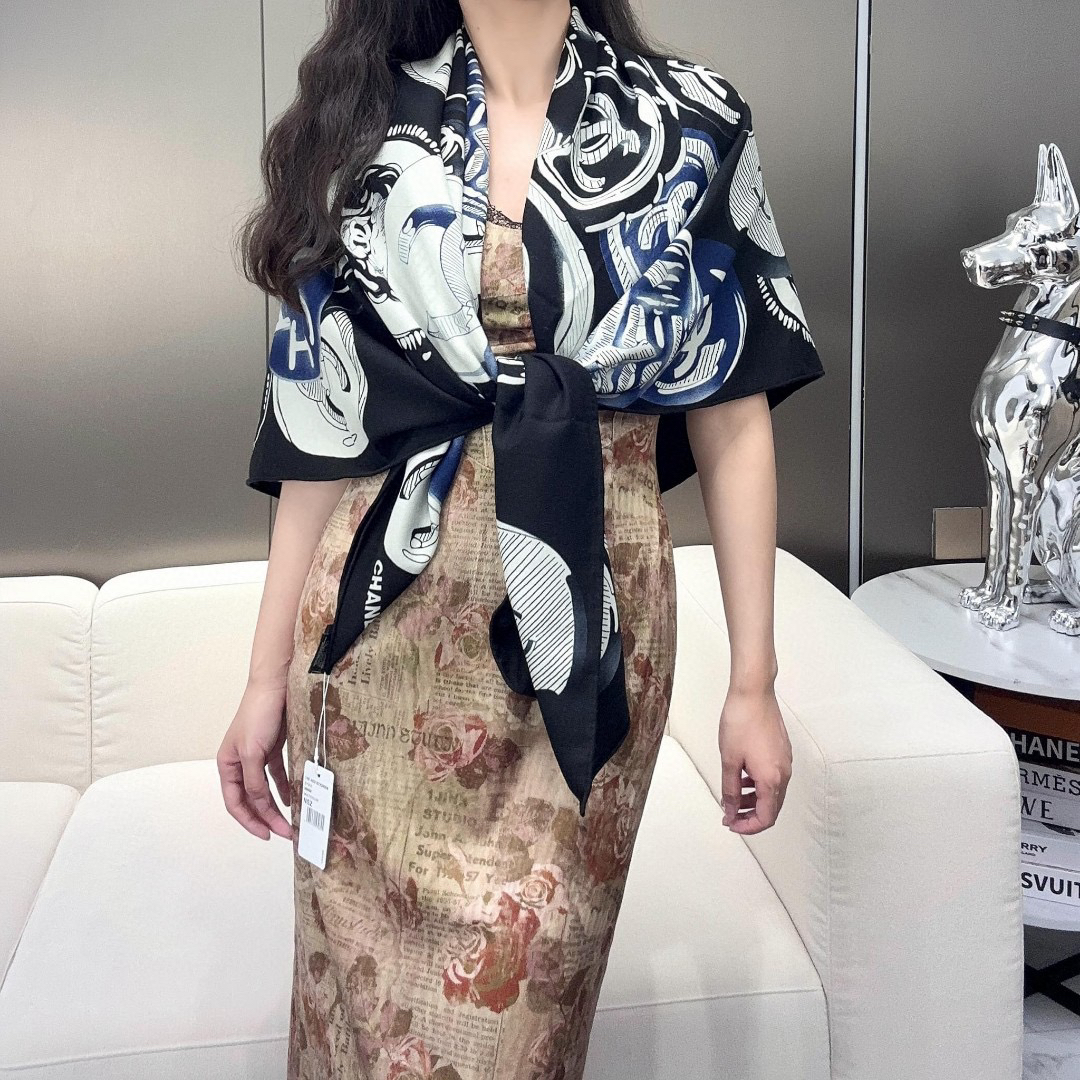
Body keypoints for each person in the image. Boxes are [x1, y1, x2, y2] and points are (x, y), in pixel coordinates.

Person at [218, 0, 826, 1076]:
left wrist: (754, 684)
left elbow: (734, 416)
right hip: (379, 645)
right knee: (352, 1017)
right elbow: (320, 429)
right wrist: (264, 679)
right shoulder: (360, 126)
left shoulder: (690, 124)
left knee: (526, 1014)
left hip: (586, 632)